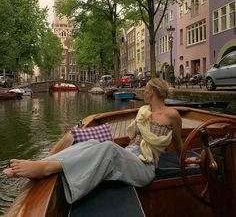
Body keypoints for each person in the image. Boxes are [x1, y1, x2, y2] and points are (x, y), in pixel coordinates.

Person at [3, 78, 183, 204]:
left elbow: (178, 143)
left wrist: (184, 160)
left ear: (151, 92)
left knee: (109, 148)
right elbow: (133, 140)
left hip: (145, 166)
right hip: (130, 154)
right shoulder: (144, 111)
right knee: (91, 144)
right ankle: (43, 162)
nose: (143, 91)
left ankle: (48, 168)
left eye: (145, 89)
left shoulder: (172, 115)